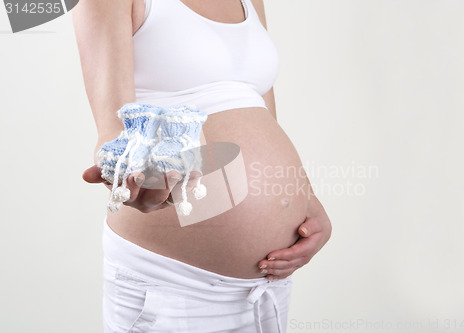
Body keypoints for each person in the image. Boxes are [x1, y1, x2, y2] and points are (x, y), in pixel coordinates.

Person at [72, 0, 332, 332]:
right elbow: (117, 139)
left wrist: (307, 201)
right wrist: (138, 181)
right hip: (174, 285)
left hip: (267, 287)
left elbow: (261, 112)